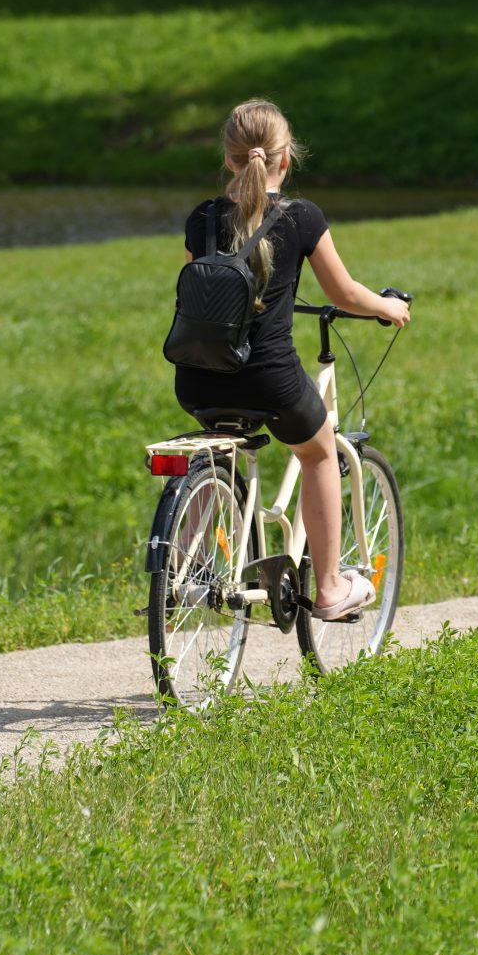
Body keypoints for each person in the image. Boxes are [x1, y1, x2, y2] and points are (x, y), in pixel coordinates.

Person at [176, 99, 410, 622]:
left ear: (230, 159)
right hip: (270, 381)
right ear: (286, 158)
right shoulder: (302, 217)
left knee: (216, 447)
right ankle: (328, 589)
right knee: (319, 451)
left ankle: (185, 567)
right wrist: (388, 307)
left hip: (198, 378)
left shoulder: (202, 219)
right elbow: (344, 293)